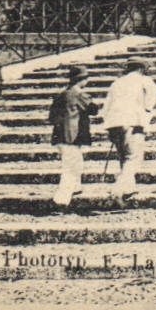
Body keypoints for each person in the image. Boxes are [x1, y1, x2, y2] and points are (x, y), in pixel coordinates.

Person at [98, 58, 156, 209]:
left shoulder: (116, 82)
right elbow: (151, 101)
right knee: (133, 158)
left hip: (114, 123)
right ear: (141, 68)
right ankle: (117, 190)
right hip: (133, 121)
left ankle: (129, 189)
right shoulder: (145, 81)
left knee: (123, 157)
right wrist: (147, 115)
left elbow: (106, 106)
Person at [50, 64, 96, 210]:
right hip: (72, 136)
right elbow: (93, 109)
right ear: (81, 80)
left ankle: (76, 187)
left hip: (60, 135)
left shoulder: (61, 94)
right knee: (71, 167)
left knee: (75, 164)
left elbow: (51, 117)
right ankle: (60, 200)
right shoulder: (78, 94)